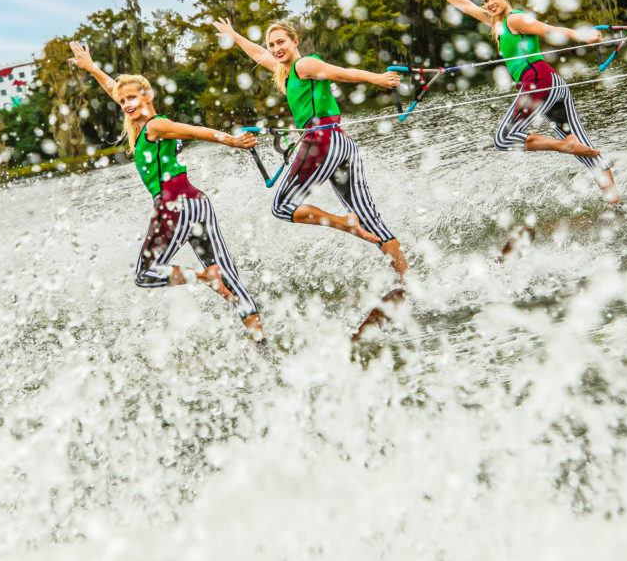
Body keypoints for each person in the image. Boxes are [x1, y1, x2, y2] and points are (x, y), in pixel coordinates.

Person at [69, 42, 265, 338]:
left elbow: (193, 130)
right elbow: (116, 90)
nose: (126, 104)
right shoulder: (141, 123)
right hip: (198, 203)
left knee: (146, 274)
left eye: (132, 98)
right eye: (123, 102)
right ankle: (260, 340)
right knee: (229, 276)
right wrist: (92, 68)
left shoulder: (155, 126)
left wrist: (230, 140)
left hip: (175, 205)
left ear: (147, 96)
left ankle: (204, 277)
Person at [214, 19, 409, 278]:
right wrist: (234, 35)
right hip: (341, 144)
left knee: (282, 206)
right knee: (370, 218)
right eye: (272, 45)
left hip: (322, 144)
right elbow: (259, 54)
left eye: (281, 42)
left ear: (295, 41)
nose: (275, 48)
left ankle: (346, 224)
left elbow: (339, 72)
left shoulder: (303, 65)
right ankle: (407, 279)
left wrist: (378, 79)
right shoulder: (286, 71)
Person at [421, 0, 620, 203]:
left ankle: (564, 146)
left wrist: (581, 35)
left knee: (503, 138)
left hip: (539, 81)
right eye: (486, 0)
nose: (489, 3)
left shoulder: (515, 19)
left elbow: (547, 29)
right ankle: (616, 205)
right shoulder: (496, 22)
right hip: (551, 84)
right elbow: (466, 6)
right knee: (586, 151)